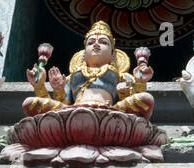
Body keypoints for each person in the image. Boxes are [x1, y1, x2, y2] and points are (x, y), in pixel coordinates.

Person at [24, 20, 154, 116]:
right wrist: (41, 86)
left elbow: (134, 100)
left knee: (145, 99)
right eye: (91, 42)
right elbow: (63, 103)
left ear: (113, 56)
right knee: (30, 103)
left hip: (111, 111)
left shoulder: (122, 77)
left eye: (103, 42)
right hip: (73, 111)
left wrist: (139, 83)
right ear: (83, 54)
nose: (96, 45)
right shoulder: (71, 78)